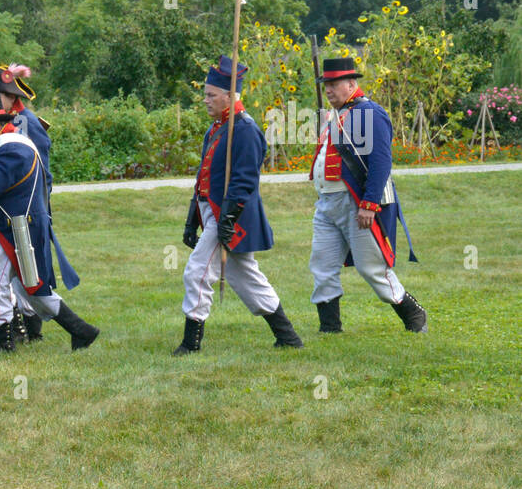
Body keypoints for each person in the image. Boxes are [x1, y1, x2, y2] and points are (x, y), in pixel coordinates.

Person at [174, 58, 303, 355]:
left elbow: (244, 181)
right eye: (205, 94)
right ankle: (287, 336)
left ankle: (191, 344)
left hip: (231, 216)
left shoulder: (244, 131)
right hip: (213, 215)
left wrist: (227, 221)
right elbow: (202, 180)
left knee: (197, 271)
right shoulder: (217, 129)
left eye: (211, 95)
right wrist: (192, 220)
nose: (205, 100)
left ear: (230, 95)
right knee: (245, 277)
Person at [0, 93, 99, 353]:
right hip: (17, 227)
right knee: (33, 291)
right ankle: (81, 330)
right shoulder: (10, 145)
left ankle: (5, 344)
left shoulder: (12, 148)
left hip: (16, 230)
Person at [308, 56, 426, 333]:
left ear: (351, 84)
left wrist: (369, 203)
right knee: (322, 265)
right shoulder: (333, 116)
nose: (329, 90)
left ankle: (413, 313)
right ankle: (329, 328)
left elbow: (381, 161)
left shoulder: (370, 112)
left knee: (371, 268)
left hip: (357, 203)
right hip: (326, 203)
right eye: (326, 84)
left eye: (334, 84)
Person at [0, 64, 80, 343]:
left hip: (25, 209)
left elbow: (39, 171)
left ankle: (25, 329)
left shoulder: (25, 123)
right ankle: (20, 327)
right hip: (6, 205)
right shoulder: (4, 122)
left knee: (25, 271)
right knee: (4, 268)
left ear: (8, 96)